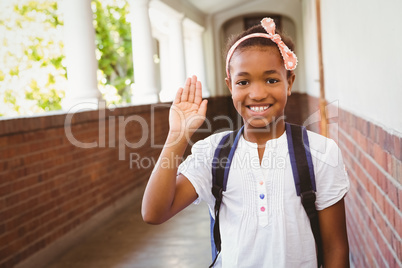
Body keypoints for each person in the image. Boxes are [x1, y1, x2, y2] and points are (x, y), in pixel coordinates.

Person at [142, 17, 350, 267]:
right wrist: (177, 137)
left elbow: (335, 247)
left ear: (289, 82)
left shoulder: (320, 152)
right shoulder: (212, 153)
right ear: (230, 86)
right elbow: (154, 213)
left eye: (271, 79)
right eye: (243, 82)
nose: (258, 93)